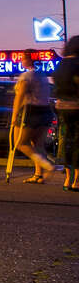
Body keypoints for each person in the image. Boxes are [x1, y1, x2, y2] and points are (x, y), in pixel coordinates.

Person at [13, 47, 56, 184]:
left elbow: (20, 96)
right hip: (45, 111)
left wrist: (14, 116)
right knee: (38, 144)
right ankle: (39, 175)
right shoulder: (42, 76)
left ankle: (47, 165)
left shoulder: (26, 77)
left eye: (22, 58)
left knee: (20, 143)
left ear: (28, 60)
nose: (20, 60)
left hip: (30, 112)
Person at [53, 37, 79, 193]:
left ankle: (67, 178)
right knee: (78, 142)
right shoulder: (78, 64)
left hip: (62, 106)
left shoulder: (61, 65)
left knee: (66, 140)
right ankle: (77, 179)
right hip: (77, 106)